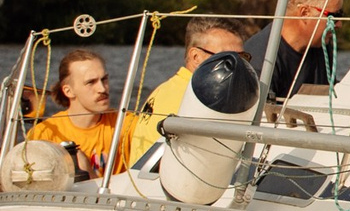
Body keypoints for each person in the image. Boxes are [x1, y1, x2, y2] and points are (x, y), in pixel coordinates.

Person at [28, 48, 148, 179]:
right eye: (91, 82)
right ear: (68, 91)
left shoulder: (128, 125)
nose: (102, 89)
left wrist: (88, 173)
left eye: (104, 79)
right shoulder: (44, 135)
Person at [135, 15, 253, 148]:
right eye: (227, 58)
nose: (237, 66)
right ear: (195, 57)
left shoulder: (168, 88)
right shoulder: (198, 97)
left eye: (242, 57)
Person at [256, 0, 345, 104]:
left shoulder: (322, 46)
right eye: (334, 16)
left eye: (341, 14)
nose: (339, 24)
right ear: (305, 12)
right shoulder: (262, 58)